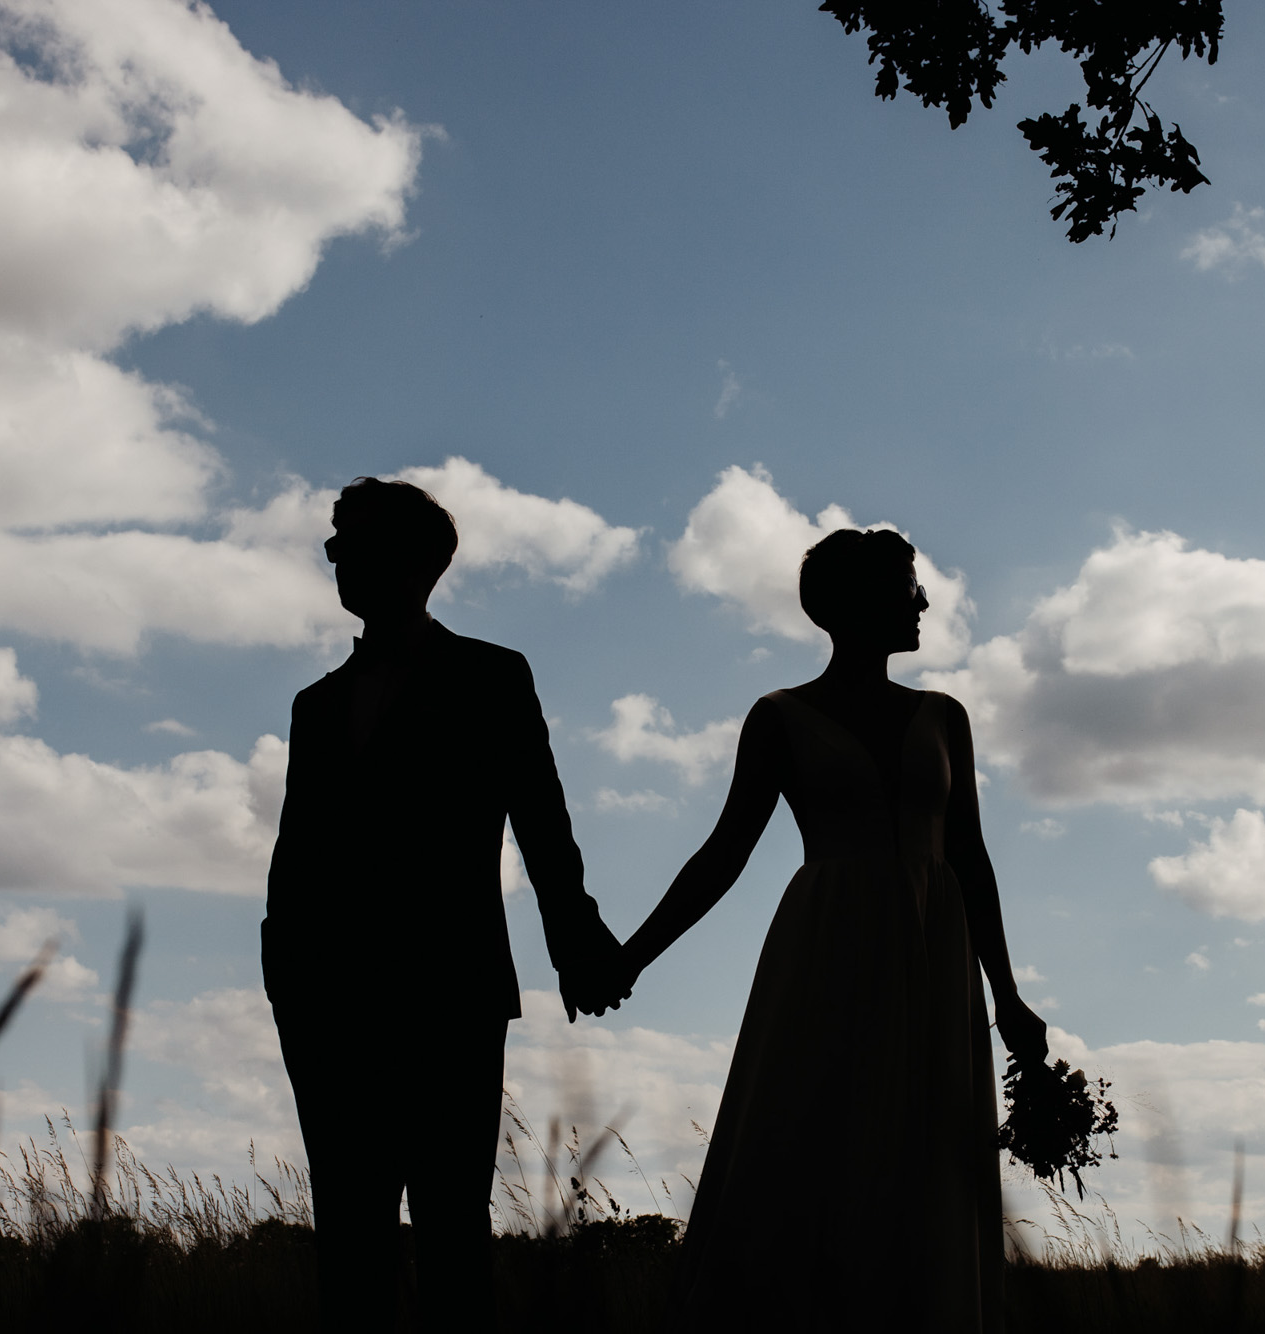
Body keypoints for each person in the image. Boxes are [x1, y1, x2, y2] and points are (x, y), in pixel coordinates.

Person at [578, 528, 1047, 1331]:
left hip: (937, 955)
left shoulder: (945, 717)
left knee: (925, 1154)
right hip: (829, 949)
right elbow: (724, 852)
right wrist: (631, 959)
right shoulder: (780, 718)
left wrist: (1008, 995)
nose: (923, 599)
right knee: (815, 1137)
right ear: (856, 603)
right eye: (906, 585)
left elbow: (969, 856)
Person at [261, 476, 627, 1332]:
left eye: (352, 543)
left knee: (453, 1233)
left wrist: (577, 943)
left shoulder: (491, 676)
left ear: (420, 560)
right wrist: (285, 976)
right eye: (335, 544)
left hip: (450, 993)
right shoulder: (316, 706)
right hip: (326, 1003)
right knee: (349, 1239)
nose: (336, 559)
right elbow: (296, 853)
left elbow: (542, 820)